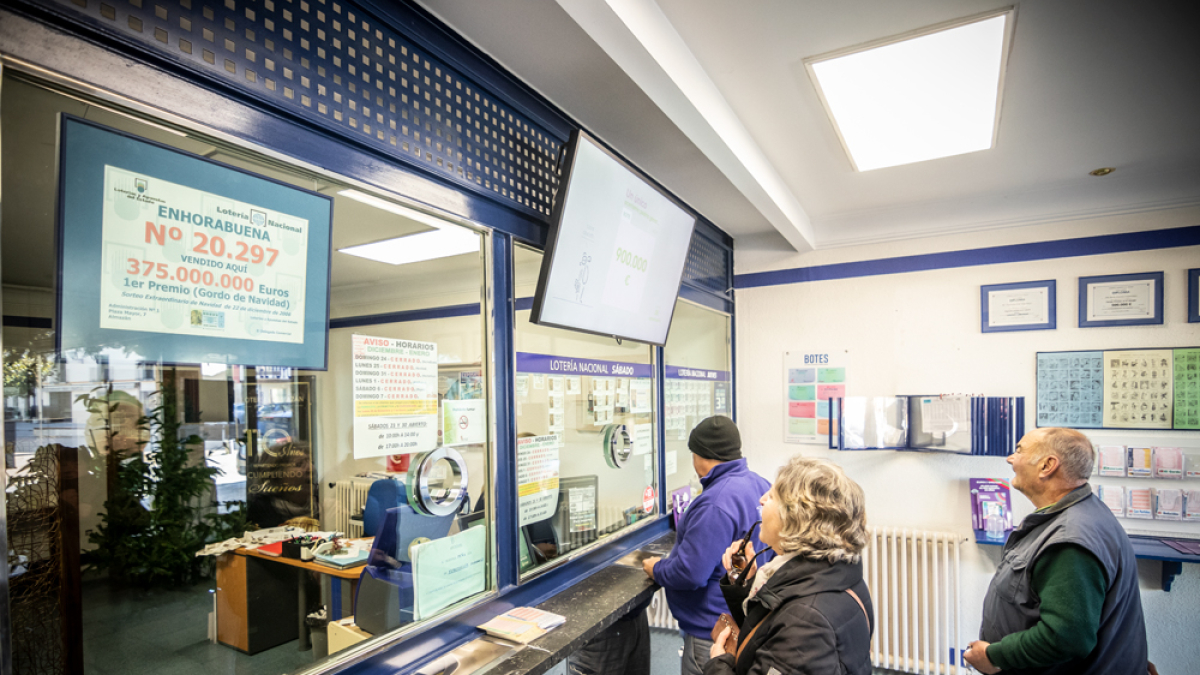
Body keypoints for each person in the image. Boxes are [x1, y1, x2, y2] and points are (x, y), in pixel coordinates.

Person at [964, 427, 1148, 675]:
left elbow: (1065, 638)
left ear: (1047, 465)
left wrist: (994, 656)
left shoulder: (1069, 541)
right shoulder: (1085, 512)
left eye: (1019, 450)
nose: (1010, 458)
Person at [707, 456, 873, 675]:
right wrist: (744, 580)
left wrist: (718, 665)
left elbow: (789, 629)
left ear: (795, 518)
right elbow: (771, 628)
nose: (762, 499)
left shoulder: (805, 625)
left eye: (773, 496)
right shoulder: (836, 572)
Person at [642, 416, 771, 675]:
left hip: (712, 632)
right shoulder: (760, 484)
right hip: (744, 620)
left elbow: (691, 573)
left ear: (703, 456)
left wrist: (656, 568)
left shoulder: (715, 503)